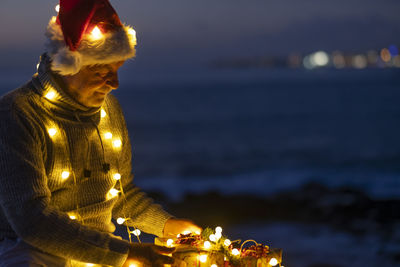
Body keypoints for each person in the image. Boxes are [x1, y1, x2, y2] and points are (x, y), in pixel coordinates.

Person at [0, 0, 201, 266]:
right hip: (27, 251)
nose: (115, 83)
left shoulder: (108, 111)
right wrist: (127, 253)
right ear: (69, 64)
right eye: (103, 70)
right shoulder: (16, 113)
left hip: (97, 251)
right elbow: (32, 220)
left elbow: (120, 194)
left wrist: (167, 225)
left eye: (117, 70)